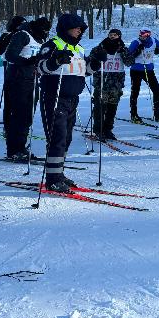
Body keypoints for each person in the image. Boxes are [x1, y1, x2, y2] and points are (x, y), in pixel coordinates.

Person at [38, 13, 105, 192]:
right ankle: (52, 178)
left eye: (81, 28)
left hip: (72, 98)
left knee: (66, 138)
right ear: (65, 28)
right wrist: (55, 60)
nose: (79, 30)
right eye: (76, 27)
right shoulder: (52, 45)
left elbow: (85, 71)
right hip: (55, 97)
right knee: (57, 137)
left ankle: (58, 173)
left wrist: (96, 62)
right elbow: (40, 67)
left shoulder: (79, 49)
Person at [4, 17, 51, 161]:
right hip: (18, 78)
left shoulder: (40, 40)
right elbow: (10, 55)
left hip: (33, 79)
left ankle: (21, 146)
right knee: (20, 114)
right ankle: (14, 149)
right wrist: (28, 61)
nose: (45, 33)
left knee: (28, 115)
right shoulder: (23, 35)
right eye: (44, 30)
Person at [88, 28, 135, 140]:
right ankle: (98, 130)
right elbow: (91, 58)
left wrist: (123, 51)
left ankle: (108, 129)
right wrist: (98, 56)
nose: (112, 37)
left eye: (115, 35)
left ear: (119, 36)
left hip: (116, 83)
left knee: (112, 108)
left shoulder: (123, 49)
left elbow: (130, 62)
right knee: (100, 106)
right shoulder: (100, 47)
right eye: (111, 35)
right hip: (102, 82)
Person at [0, 15, 27, 125]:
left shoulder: (27, 35)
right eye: (19, 25)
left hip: (24, 66)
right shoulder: (7, 35)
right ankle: (8, 124)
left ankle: (21, 124)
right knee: (9, 96)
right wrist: (7, 39)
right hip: (10, 65)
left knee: (22, 96)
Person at [128, 28, 159, 123]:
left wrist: (157, 50)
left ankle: (157, 113)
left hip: (149, 70)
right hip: (136, 70)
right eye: (142, 34)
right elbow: (128, 56)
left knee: (157, 90)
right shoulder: (136, 42)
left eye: (146, 34)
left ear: (149, 35)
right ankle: (134, 114)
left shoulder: (153, 40)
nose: (143, 36)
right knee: (135, 91)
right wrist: (136, 52)